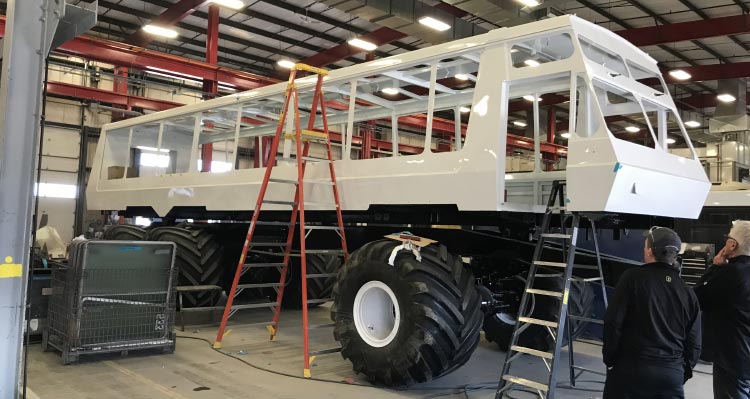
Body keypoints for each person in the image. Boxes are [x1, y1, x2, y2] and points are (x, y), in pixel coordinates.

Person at [602, 226, 701, 399]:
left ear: (649, 251)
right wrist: (681, 372)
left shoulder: (631, 278)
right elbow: (694, 342)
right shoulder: (687, 292)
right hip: (671, 374)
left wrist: (610, 359)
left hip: (631, 369)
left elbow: (613, 322)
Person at [694, 220, 750, 399]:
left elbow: (697, 298)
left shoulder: (731, 274)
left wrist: (714, 268)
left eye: (728, 238)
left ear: (733, 244)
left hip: (733, 355)